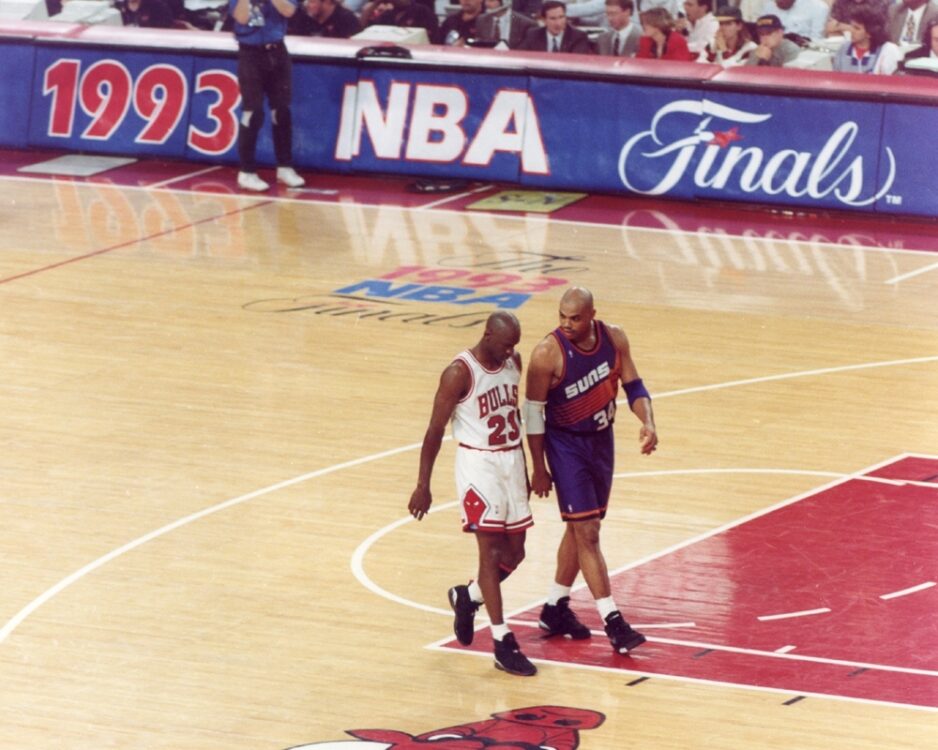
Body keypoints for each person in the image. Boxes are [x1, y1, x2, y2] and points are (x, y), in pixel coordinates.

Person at [524, 287, 657, 655]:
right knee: (588, 531)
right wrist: (538, 466)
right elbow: (533, 413)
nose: (566, 324)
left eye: (575, 318)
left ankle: (555, 607)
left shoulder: (614, 338)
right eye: (561, 316)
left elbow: (634, 386)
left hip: (601, 441)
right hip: (566, 446)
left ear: (592, 315)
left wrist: (648, 422)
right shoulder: (546, 354)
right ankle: (613, 621)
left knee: (581, 527)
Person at [408, 312, 537, 677]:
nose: (511, 351)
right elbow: (434, 430)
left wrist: (527, 471)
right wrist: (423, 484)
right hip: (478, 466)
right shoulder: (459, 373)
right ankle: (501, 641)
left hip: (511, 461)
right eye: (506, 344)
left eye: (515, 344)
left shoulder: (513, 360)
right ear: (487, 336)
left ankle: (467, 598)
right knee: (490, 550)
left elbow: (514, 417)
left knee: (517, 551)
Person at [229, 0, 306, 192]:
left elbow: (289, 11)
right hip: (250, 54)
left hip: (277, 51)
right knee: (252, 112)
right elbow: (241, 17)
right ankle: (247, 171)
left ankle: (285, 167)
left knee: (281, 111)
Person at [832, 4, 901, 73]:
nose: (851, 31)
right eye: (851, 26)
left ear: (869, 33)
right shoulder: (843, 49)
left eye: (857, 28)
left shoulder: (887, 50)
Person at [518, 1, 593, 53]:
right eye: (553, 18)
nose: (558, 23)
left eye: (561, 17)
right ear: (544, 20)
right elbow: (521, 56)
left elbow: (576, 63)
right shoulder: (533, 34)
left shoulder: (578, 37)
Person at [758, 0, 828, 41]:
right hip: (771, 52)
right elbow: (760, 31)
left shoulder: (818, 7)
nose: (778, 2)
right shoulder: (769, 6)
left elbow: (817, 41)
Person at [287, 0, 363, 36]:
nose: (307, 5)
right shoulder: (301, 16)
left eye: (312, 1)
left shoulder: (347, 20)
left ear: (327, 2)